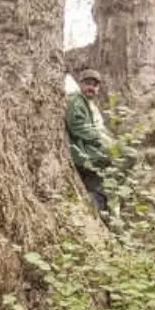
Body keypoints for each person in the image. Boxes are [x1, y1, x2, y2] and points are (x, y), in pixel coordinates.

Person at [65, 69, 113, 214]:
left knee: (98, 190)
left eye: (95, 85)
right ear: (80, 84)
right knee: (125, 155)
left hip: (88, 155)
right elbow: (78, 126)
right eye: (87, 83)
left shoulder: (88, 104)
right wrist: (103, 141)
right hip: (84, 156)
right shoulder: (76, 100)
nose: (91, 87)